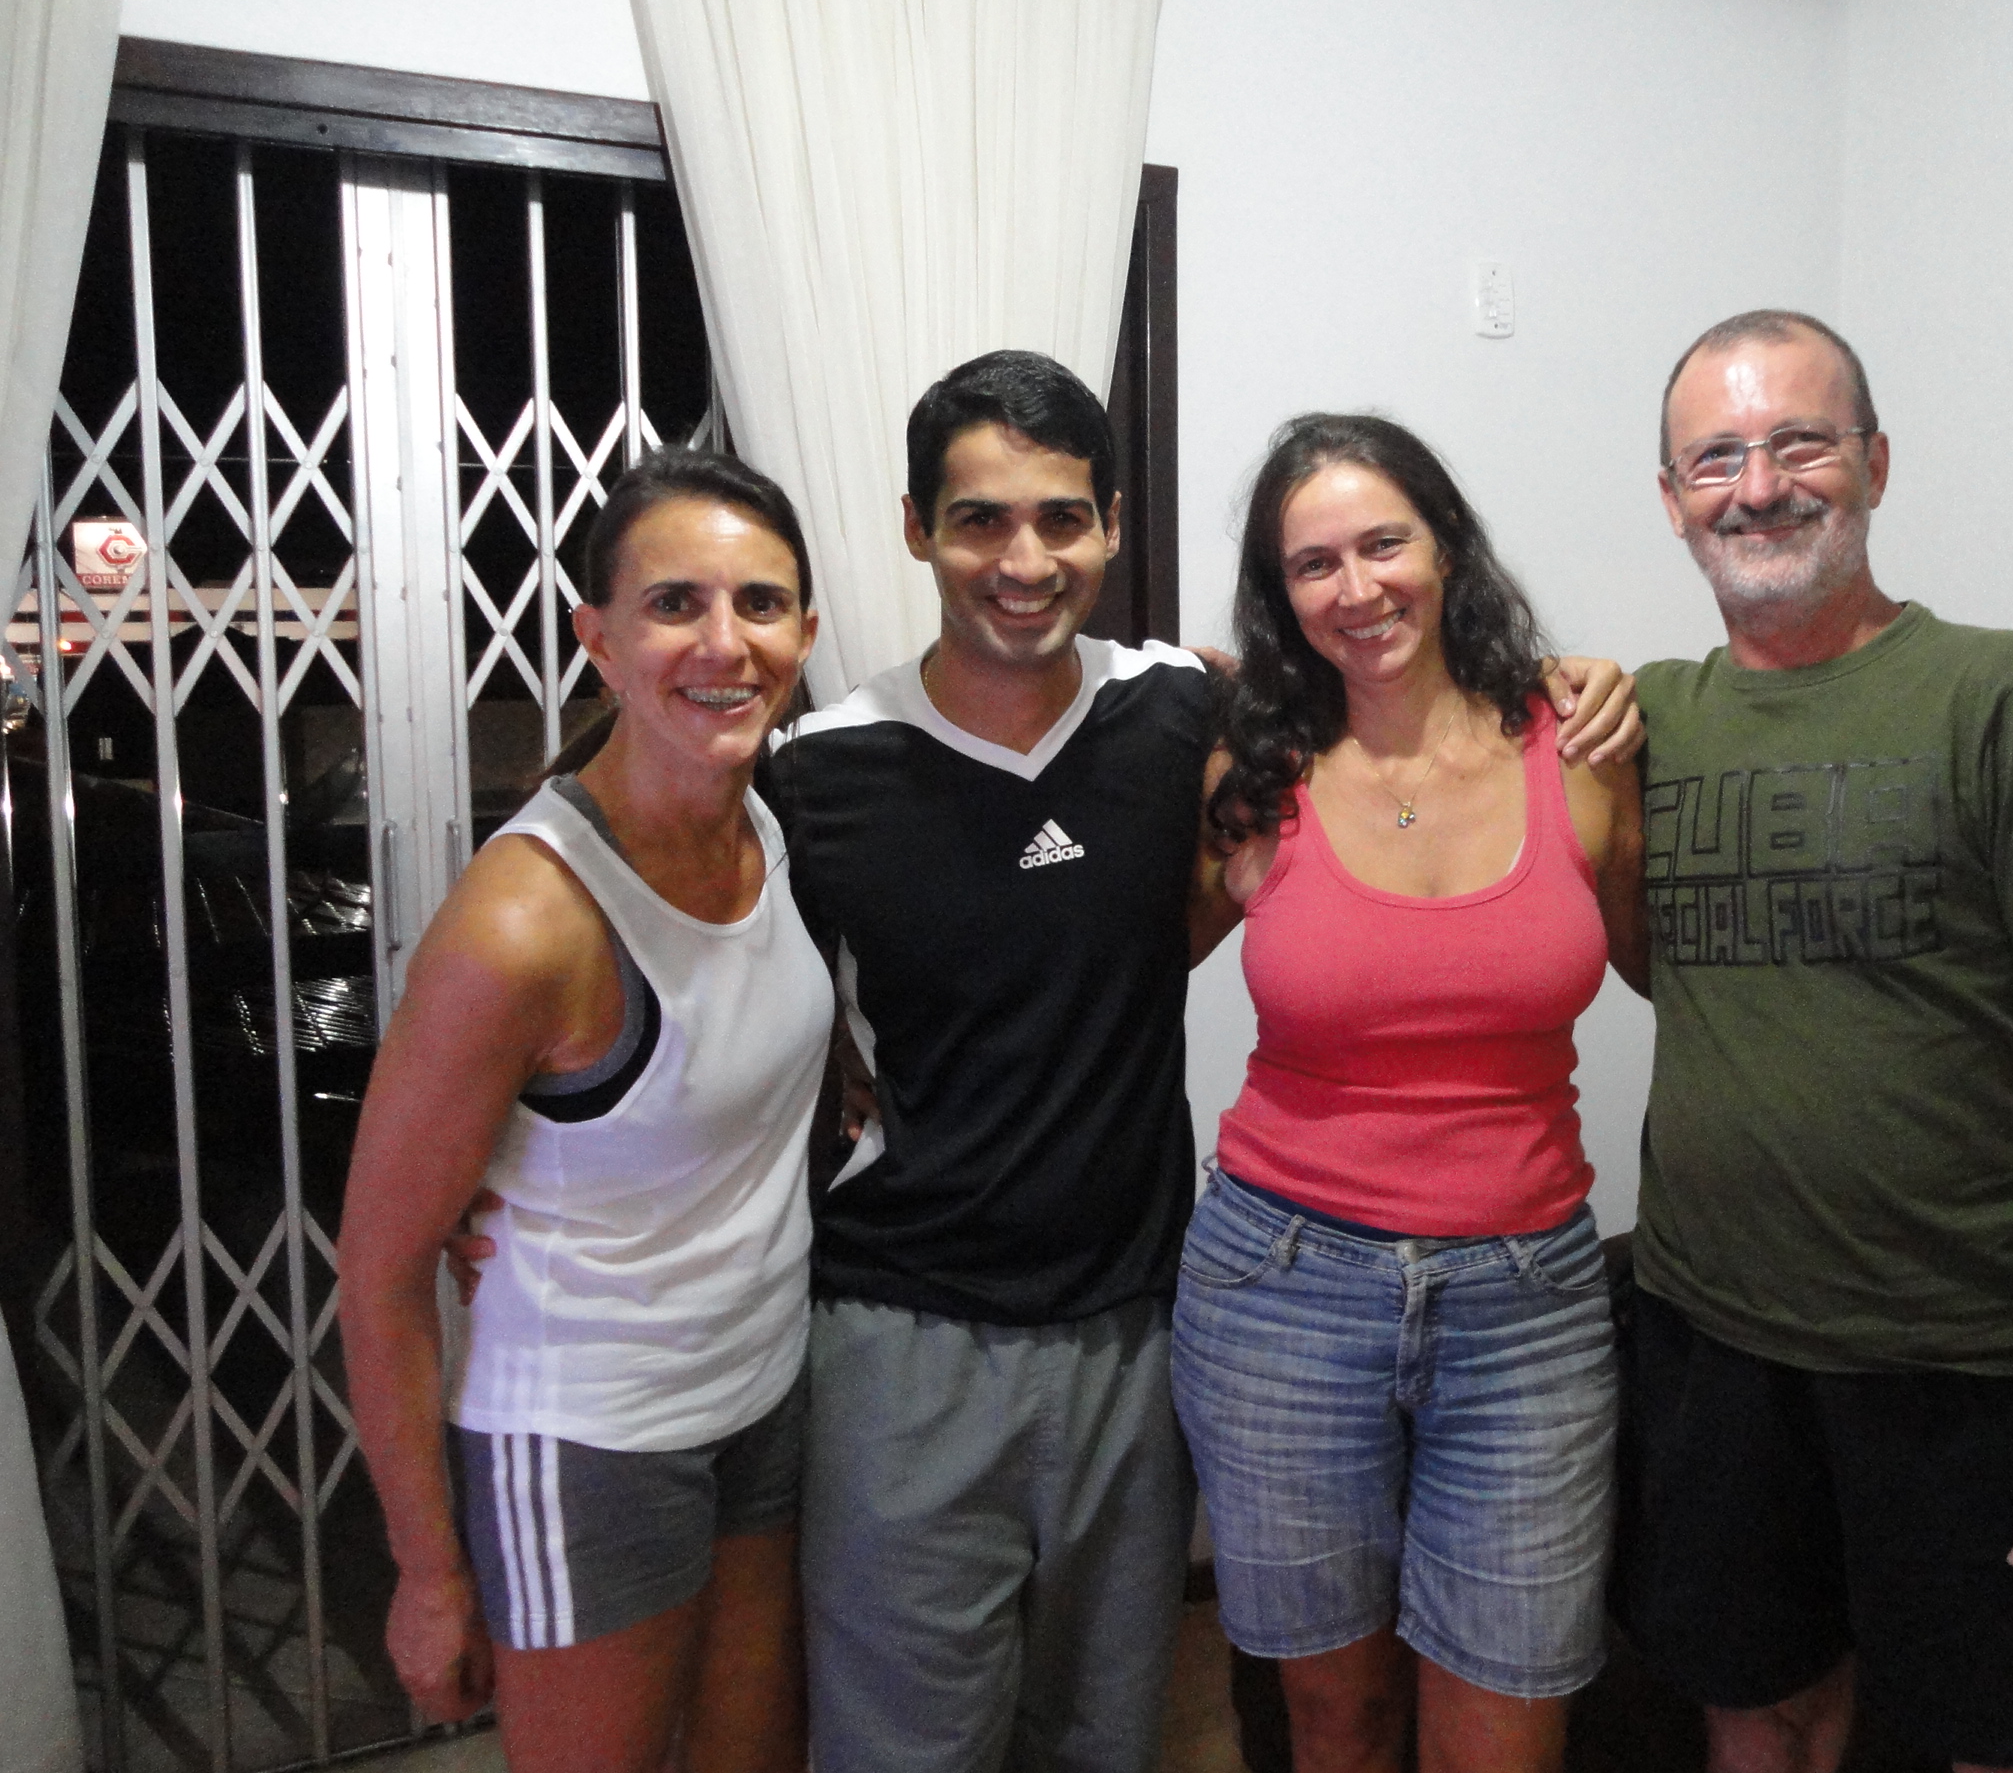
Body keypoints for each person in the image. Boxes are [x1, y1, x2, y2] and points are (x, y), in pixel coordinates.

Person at [769, 352, 1641, 1773]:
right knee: (935, 1738)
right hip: (1030, 1312)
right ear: (917, 528)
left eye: (1062, 518)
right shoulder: (829, 769)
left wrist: (1591, 680)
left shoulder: (1192, 714)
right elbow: (744, 1004)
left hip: (1234, 1310)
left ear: (1112, 525)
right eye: (981, 520)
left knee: (1136, 1727)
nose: (1025, 561)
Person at [1619, 311, 2013, 1773]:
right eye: (1716, 458)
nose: (1760, 487)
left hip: (1966, 1365)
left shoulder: (2007, 694)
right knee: (1762, 1717)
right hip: (1711, 1344)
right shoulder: (1646, 724)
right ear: (1672, 497)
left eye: (1800, 444)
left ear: (1874, 463)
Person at [342, 449, 832, 1773]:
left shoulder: (771, 823)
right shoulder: (524, 924)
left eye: (760, 603)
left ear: (804, 633)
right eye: (675, 603)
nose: (724, 643)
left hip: (761, 1396)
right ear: (598, 640)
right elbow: (380, 1273)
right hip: (587, 1436)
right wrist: (428, 1574)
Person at [1174, 414, 1645, 1773]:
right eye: (1313, 564)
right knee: (1338, 1726)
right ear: (1280, 596)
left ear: (1446, 548)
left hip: (1529, 1306)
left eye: (1384, 543)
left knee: (1508, 1721)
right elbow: (1110, 964)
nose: (1357, 587)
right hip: (1281, 1289)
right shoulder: (1254, 775)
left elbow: (1672, 971)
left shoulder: (1580, 741)